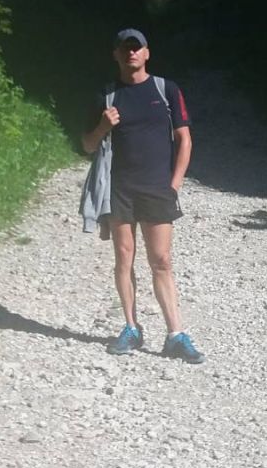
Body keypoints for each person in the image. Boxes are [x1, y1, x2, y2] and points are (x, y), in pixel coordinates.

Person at [81, 28, 204, 363]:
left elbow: (185, 139)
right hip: (119, 189)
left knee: (161, 260)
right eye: (125, 48)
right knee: (124, 257)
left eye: (137, 48)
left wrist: (175, 184)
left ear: (147, 53)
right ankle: (131, 328)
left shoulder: (166, 90)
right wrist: (103, 127)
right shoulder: (107, 96)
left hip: (157, 189)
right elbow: (87, 145)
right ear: (116, 55)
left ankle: (175, 334)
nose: (131, 53)